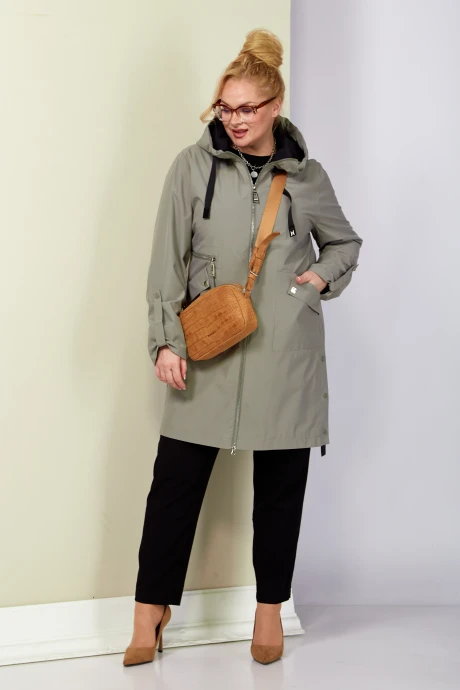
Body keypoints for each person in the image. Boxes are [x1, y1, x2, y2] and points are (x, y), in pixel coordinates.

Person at [123, 28, 363, 667]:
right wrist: (165, 341)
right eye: (224, 108)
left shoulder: (308, 178)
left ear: (275, 106)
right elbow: (166, 262)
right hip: (207, 350)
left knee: (280, 490)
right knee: (174, 484)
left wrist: (315, 281)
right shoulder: (191, 167)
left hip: (285, 358)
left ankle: (269, 611)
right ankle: (150, 611)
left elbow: (344, 244)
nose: (233, 120)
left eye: (247, 109)